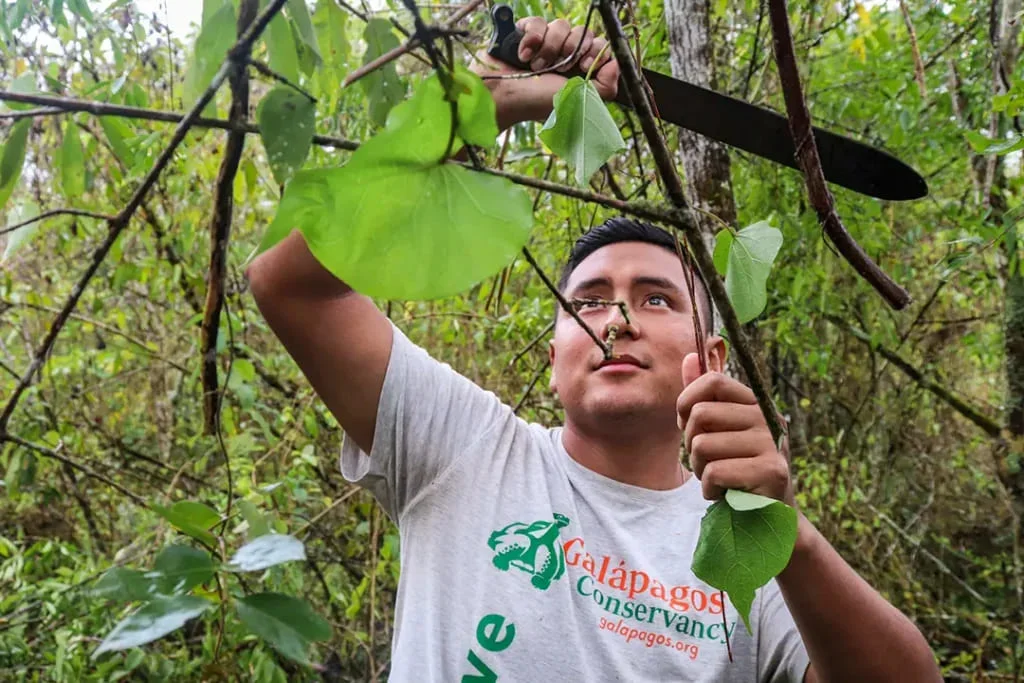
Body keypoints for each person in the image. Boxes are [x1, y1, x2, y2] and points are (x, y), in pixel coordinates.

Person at [246, 15, 941, 683]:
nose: (615, 321)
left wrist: (788, 530)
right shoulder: (463, 448)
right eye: (589, 301)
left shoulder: (746, 546)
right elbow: (289, 284)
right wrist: (490, 103)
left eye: (656, 298)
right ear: (553, 360)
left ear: (713, 355)